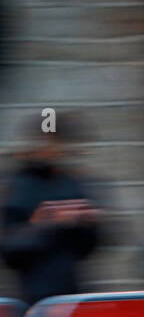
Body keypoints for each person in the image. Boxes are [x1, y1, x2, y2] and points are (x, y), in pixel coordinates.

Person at [1, 113, 102, 304]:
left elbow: (88, 246)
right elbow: (9, 249)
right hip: (32, 299)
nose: (52, 149)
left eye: (56, 142)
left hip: (72, 295)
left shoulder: (70, 182)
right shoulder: (16, 185)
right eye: (47, 141)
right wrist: (49, 223)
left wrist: (87, 223)